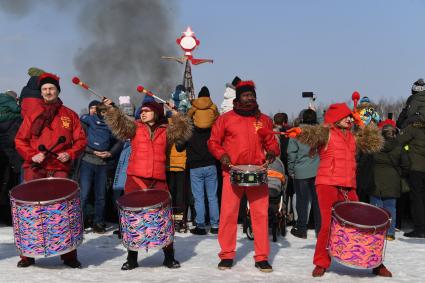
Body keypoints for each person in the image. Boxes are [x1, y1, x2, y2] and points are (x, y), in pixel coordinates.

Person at [292, 102, 392, 277]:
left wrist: (364, 125)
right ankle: (321, 262)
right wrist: (300, 131)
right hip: (327, 184)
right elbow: (312, 133)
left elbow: (373, 143)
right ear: (335, 118)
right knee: (326, 225)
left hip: (348, 186)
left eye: (350, 117)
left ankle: (375, 262)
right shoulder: (326, 133)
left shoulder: (353, 136)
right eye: (346, 116)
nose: (349, 119)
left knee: (362, 224)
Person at [104, 96, 192, 270]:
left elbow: (183, 130)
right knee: (133, 220)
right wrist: (112, 109)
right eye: (141, 111)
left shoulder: (166, 130)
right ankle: (132, 258)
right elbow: (120, 123)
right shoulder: (134, 127)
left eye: (147, 111)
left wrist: (176, 113)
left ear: (156, 113)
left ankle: (169, 257)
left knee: (163, 220)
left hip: (158, 181)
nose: (142, 113)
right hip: (136, 180)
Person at [15, 72, 87, 268]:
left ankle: (69, 255)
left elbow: (81, 140)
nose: (48, 92)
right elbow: (20, 141)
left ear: (57, 91)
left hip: (59, 168)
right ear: (41, 92)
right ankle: (27, 255)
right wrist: (32, 155)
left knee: (63, 213)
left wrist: (70, 153)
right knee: (31, 213)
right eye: (45, 89)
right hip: (35, 168)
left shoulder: (69, 115)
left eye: (51, 89)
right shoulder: (32, 114)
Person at [208, 80, 280, 272]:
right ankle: (227, 255)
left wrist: (273, 151)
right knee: (229, 214)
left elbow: (272, 142)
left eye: (252, 96)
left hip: (257, 173)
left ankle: (262, 256)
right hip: (231, 172)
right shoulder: (225, 119)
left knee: (260, 214)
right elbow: (213, 141)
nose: (250, 98)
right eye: (246, 95)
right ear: (238, 98)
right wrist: (221, 155)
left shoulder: (264, 119)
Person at [177, 86, 220, 235]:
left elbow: (179, 147)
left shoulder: (190, 126)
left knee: (199, 197)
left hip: (195, 166)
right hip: (211, 164)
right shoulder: (215, 125)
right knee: (212, 197)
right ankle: (215, 225)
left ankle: (200, 225)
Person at [79, 102, 123, 233]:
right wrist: (91, 151)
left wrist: (110, 153)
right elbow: (79, 140)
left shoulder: (111, 124)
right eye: (91, 108)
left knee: (101, 196)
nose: (94, 111)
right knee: (84, 194)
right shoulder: (86, 123)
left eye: (105, 111)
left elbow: (120, 140)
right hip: (87, 161)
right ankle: (78, 222)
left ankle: (98, 223)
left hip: (103, 164)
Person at [369, 123, 409, 241]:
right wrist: (400, 174)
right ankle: (390, 233)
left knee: (376, 207)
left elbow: (367, 161)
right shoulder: (399, 147)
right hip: (393, 180)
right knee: (391, 207)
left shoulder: (375, 146)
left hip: (375, 179)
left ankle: (377, 231)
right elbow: (406, 165)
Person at [287, 109, 320, 239]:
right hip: (318, 170)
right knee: (318, 202)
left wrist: (291, 170)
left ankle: (301, 229)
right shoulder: (320, 132)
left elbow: (291, 153)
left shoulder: (296, 133)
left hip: (301, 171)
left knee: (302, 201)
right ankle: (320, 229)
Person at [0, 90, 23, 225]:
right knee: (11, 185)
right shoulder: (16, 118)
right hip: (12, 157)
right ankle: (9, 216)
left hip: (3, 155)